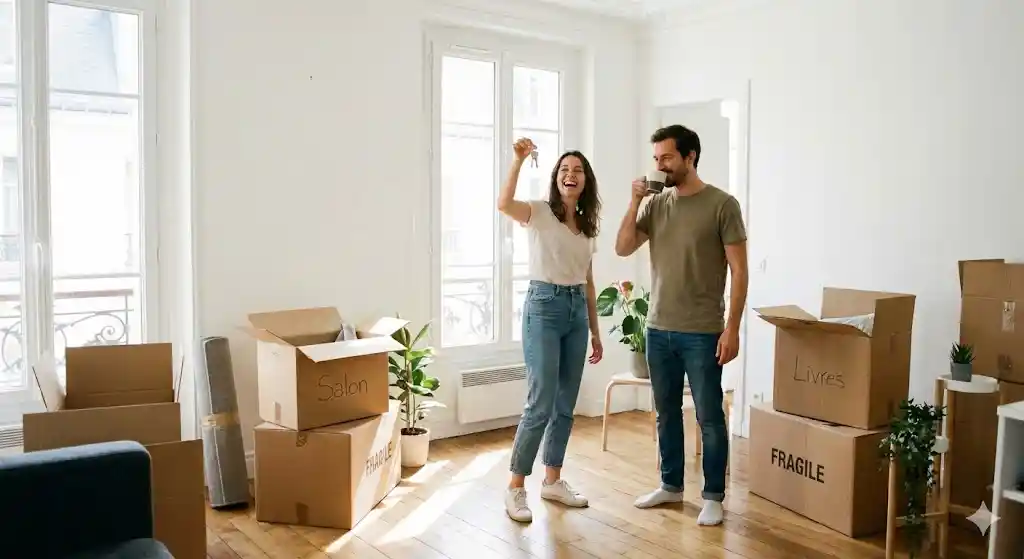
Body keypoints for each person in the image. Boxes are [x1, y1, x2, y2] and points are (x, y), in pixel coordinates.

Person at [614, 124, 748, 527]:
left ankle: (713, 496)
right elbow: (622, 247)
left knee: (708, 415)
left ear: (690, 157)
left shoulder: (723, 205)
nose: (660, 166)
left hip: (703, 331)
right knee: (665, 413)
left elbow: (740, 272)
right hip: (658, 329)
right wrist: (634, 199)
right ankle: (671, 486)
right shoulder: (656, 204)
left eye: (667, 158)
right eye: (656, 159)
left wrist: (732, 328)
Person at [497, 138, 604, 523]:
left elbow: (588, 280)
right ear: (556, 179)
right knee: (540, 401)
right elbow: (503, 204)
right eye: (564, 170)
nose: (570, 175)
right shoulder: (540, 212)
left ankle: (553, 480)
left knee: (565, 403)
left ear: (586, 181)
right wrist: (518, 161)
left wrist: (595, 330)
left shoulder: (588, 227)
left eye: (577, 171)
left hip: (576, 310)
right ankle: (515, 488)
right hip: (543, 307)